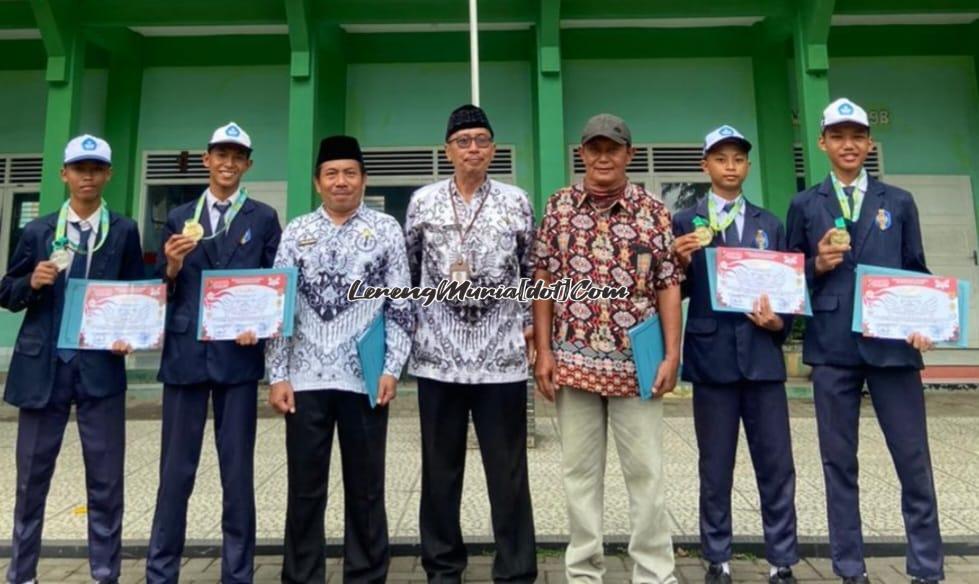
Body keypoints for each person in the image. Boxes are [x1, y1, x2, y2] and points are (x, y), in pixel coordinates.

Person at [786, 98, 943, 584]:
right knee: (838, 461)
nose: (848, 145)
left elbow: (917, 272)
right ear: (823, 143)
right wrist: (815, 265)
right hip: (833, 350)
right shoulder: (804, 204)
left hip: (893, 345)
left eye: (857, 137)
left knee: (913, 458)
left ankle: (926, 567)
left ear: (869, 144)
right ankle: (850, 568)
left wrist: (927, 324)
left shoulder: (897, 202)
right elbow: (789, 282)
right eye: (838, 136)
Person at [533, 113, 682, 584]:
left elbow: (668, 285)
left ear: (628, 155)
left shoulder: (653, 211)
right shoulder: (558, 208)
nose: (602, 156)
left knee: (646, 475)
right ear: (581, 153)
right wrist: (543, 351)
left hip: (636, 367)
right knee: (579, 475)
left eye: (612, 148)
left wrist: (672, 354)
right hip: (573, 364)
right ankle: (582, 572)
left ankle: (654, 573)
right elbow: (543, 281)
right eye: (593, 147)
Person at [266, 135, 413, 583]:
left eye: (350, 173)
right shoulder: (297, 232)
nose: (341, 181)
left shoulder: (386, 229)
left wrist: (392, 368)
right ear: (317, 182)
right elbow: (279, 306)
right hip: (305, 382)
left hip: (364, 380)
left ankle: (366, 575)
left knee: (366, 490)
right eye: (332, 173)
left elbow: (402, 304)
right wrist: (277, 375)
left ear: (364, 179)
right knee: (305, 491)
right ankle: (302, 575)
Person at [1, 135, 144, 584]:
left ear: (108, 175)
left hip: (100, 368)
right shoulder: (39, 230)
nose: (87, 176)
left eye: (96, 168)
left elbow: (136, 291)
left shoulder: (123, 230)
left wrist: (129, 333)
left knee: (105, 480)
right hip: (44, 368)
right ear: (63, 174)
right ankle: (22, 572)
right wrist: (33, 282)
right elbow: (7, 292)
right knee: (30, 481)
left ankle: (105, 573)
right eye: (79, 168)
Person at [404, 104, 537, 583]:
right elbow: (410, 265)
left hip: (501, 359)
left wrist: (529, 327)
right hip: (438, 359)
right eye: (463, 141)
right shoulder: (423, 202)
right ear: (448, 150)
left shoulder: (516, 201)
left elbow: (530, 269)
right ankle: (442, 568)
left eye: (481, 140)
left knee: (508, 473)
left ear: (493, 148)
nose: (473, 149)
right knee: (440, 471)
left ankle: (517, 570)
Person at [146, 122, 282, 584]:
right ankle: (160, 572)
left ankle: (237, 574)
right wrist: (172, 264)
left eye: (237, 156)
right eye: (220, 155)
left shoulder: (262, 217)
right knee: (175, 472)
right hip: (186, 355)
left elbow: (273, 282)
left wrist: (260, 325)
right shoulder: (179, 214)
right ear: (206, 160)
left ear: (248, 165)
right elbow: (158, 286)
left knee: (237, 473)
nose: (227, 163)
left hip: (237, 358)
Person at [672, 125, 799, 584]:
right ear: (705, 165)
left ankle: (782, 560)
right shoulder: (685, 222)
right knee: (715, 465)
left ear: (747, 166)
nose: (730, 166)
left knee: (776, 465)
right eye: (720, 158)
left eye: (738, 159)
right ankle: (717, 558)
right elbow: (674, 291)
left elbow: (786, 289)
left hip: (763, 359)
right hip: (712, 359)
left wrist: (779, 322)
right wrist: (679, 264)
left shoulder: (770, 224)